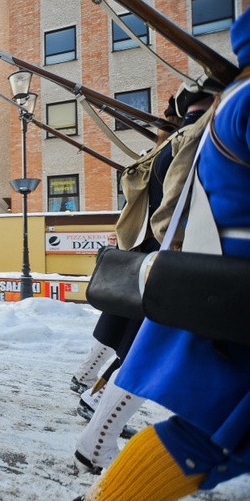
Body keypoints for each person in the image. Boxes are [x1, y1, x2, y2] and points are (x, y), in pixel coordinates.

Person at [65, 6, 250, 501]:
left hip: (176, 257)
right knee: (145, 359)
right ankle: (95, 449)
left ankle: (93, 437)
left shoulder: (190, 134)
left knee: (139, 352)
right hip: (195, 261)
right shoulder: (212, 124)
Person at [73, 88, 215, 474]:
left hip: (152, 258)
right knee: (144, 351)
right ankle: (95, 418)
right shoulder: (193, 141)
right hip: (173, 264)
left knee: (135, 344)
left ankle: (92, 400)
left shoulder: (170, 147)